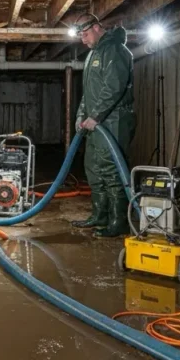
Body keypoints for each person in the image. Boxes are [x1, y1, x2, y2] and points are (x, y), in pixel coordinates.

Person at [71, 14, 135, 238]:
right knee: (93, 168)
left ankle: (118, 222)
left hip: (113, 120)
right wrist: (81, 115)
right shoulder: (94, 54)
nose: (83, 40)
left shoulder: (115, 50)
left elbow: (114, 87)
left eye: (85, 34)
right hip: (95, 122)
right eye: (80, 36)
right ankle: (100, 215)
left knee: (111, 170)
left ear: (97, 28)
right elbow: (88, 92)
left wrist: (96, 116)